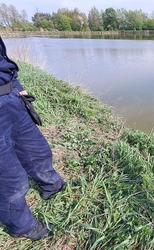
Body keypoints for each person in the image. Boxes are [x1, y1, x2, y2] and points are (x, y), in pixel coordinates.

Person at [0, 36, 65, 240]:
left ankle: (52, 184)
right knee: (10, 178)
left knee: (37, 149)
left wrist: (17, 86)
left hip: (10, 95)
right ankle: (21, 226)